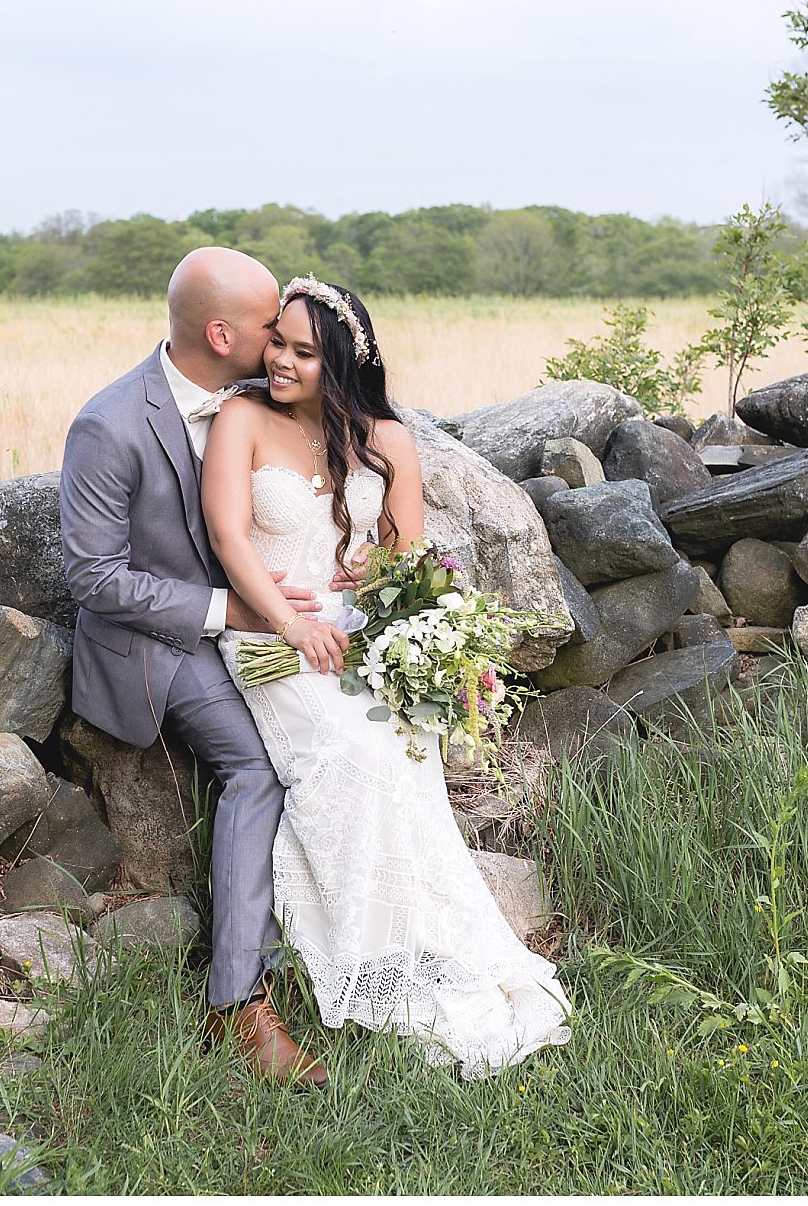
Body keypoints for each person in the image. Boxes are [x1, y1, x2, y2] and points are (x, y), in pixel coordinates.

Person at [199, 274, 572, 1079]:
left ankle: (422, 946)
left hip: (361, 637)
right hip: (270, 635)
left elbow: (410, 556)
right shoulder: (242, 418)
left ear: (342, 363)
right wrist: (290, 622)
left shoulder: (387, 439)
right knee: (352, 753)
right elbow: (229, 537)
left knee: (404, 749)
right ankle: (366, 956)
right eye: (277, 343)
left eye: (304, 352)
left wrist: (377, 573)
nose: (281, 361)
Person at [57, 246, 335, 1087]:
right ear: (221, 334)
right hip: (161, 643)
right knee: (258, 766)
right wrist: (230, 611)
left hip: (261, 619)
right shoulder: (108, 424)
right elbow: (93, 577)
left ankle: (334, 946)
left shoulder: (259, 392)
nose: (280, 342)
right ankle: (237, 1003)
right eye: (268, 327)